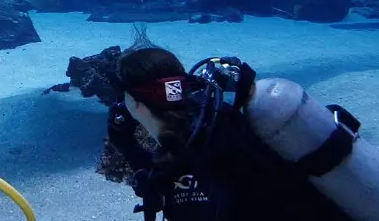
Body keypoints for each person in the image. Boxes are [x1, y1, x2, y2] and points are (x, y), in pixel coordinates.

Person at [106, 44, 355, 221]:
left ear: (134, 102)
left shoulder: (200, 157)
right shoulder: (211, 119)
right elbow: (166, 174)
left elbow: (186, 186)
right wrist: (127, 146)